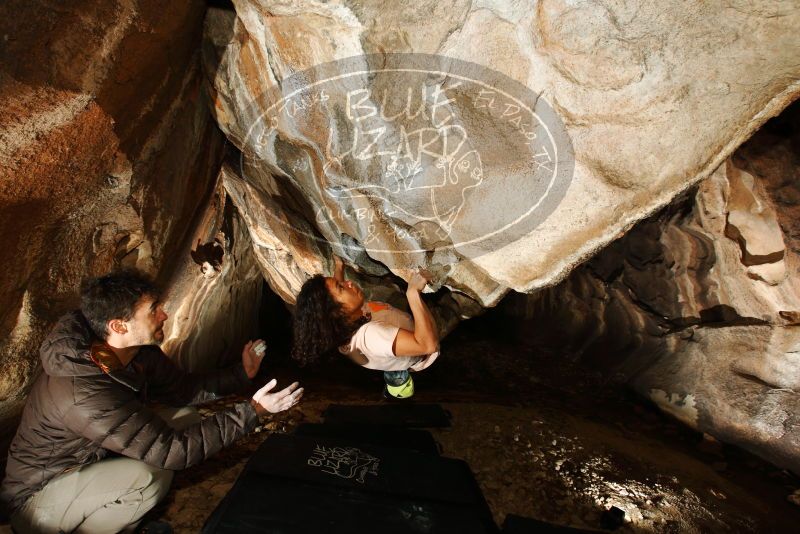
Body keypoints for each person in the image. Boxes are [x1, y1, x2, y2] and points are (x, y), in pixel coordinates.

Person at [1, 270, 303, 534]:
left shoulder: (134, 352)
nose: (164, 314)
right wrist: (252, 411)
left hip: (89, 459)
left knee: (186, 417)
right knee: (148, 479)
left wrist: (241, 373)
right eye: (153, 309)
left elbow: (182, 390)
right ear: (119, 325)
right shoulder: (83, 391)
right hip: (39, 495)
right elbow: (171, 452)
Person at [292, 256, 439, 399]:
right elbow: (427, 345)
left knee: (390, 363)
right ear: (337, 312)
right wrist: (412, 293)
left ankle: (392, 372)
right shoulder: (371, 336)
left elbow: (335, 295)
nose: (348, 283)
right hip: (421, 344)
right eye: (341, 287)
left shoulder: (341, 326)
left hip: (389, 344)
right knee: (440, 317)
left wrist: (339, 267)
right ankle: (399, 387)